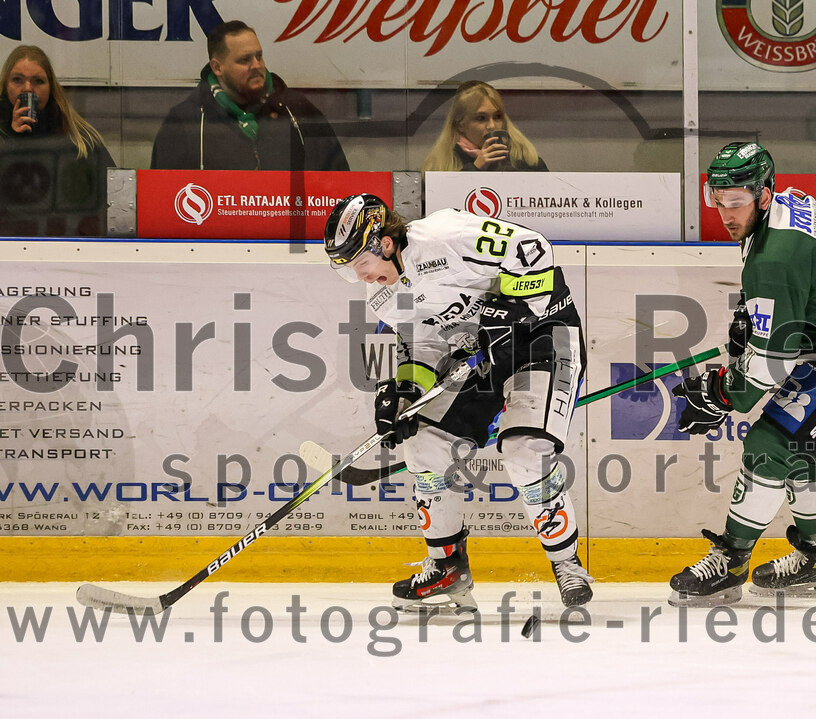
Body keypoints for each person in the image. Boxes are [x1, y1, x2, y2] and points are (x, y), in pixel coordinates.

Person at [322, 193, 590, 611]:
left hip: (542, 337)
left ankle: (566, 562)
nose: (362, 277)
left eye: (362, 264)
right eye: (350, 271)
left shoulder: (445, 236)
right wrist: (405, 393)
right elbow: (425, 343)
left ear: (385, 244)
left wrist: (513, 301)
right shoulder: (385, 296)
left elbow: (533, 247)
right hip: (479, 359)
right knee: (423, 443)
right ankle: (447, 567)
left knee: (524, 452)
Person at [668, 141, 816, 607]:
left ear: (763, 195)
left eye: (736, 200)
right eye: (717, 199)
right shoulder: (789, 202)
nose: (725, 212)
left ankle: (732, 560)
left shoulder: (773, 259)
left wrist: (722, 392)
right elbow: (802, 291)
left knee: (770, 442)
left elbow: (770, 366)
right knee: (803, 445)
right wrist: (755, 321)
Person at [150, 20, 349, 171]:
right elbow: (164, 199)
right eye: (245, 60)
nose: (256, 66)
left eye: (259, 56)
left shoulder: (297, 109)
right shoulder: (186, 121)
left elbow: (338, 181)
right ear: (217, 67)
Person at [0, 45, 115, 236]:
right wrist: (12, 142)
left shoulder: (80, 139)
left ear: (52, 88)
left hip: (67, 247)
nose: (28, 89)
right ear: (5, 86)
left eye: (38, 81)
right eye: (17, 80)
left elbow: (113, 197)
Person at [422, 81, 548, 172]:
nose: (492, 126)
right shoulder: (440, 165)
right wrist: (475, 168)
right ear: (460, 125)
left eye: (497, 117)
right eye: (481, 118)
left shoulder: (526, 161)